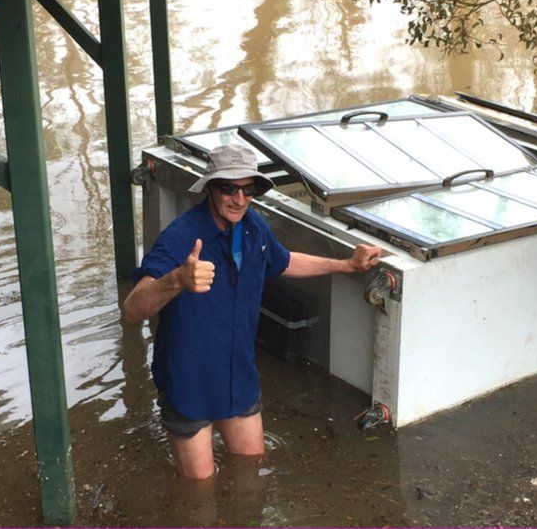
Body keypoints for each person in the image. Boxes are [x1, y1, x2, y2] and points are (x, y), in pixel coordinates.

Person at [122, 144, 382, 479]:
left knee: (251, 469)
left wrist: (346, 264)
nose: (239, 199)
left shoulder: (253, 227)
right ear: (210, 187)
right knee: (200, 491)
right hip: (189, 379)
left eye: (249, 190)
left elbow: (283, 260)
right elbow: (132, 309)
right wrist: (175, 280)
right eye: (229, 188)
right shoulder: (180, 237)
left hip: (238, 374)